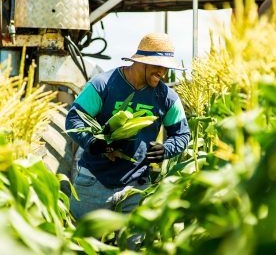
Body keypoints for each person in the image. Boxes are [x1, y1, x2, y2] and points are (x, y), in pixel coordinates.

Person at [65, 32, 191, 221]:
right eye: (158, 66)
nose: (162, 73)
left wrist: (166, 149)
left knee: (135, 250)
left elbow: (182, 134)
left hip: (137, 186)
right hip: (93, 181)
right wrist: (93, 143)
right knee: (80, 247)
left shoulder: (167, 97)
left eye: (166, 68)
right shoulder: (103, 84)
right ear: (141, 61)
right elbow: (74, 119)